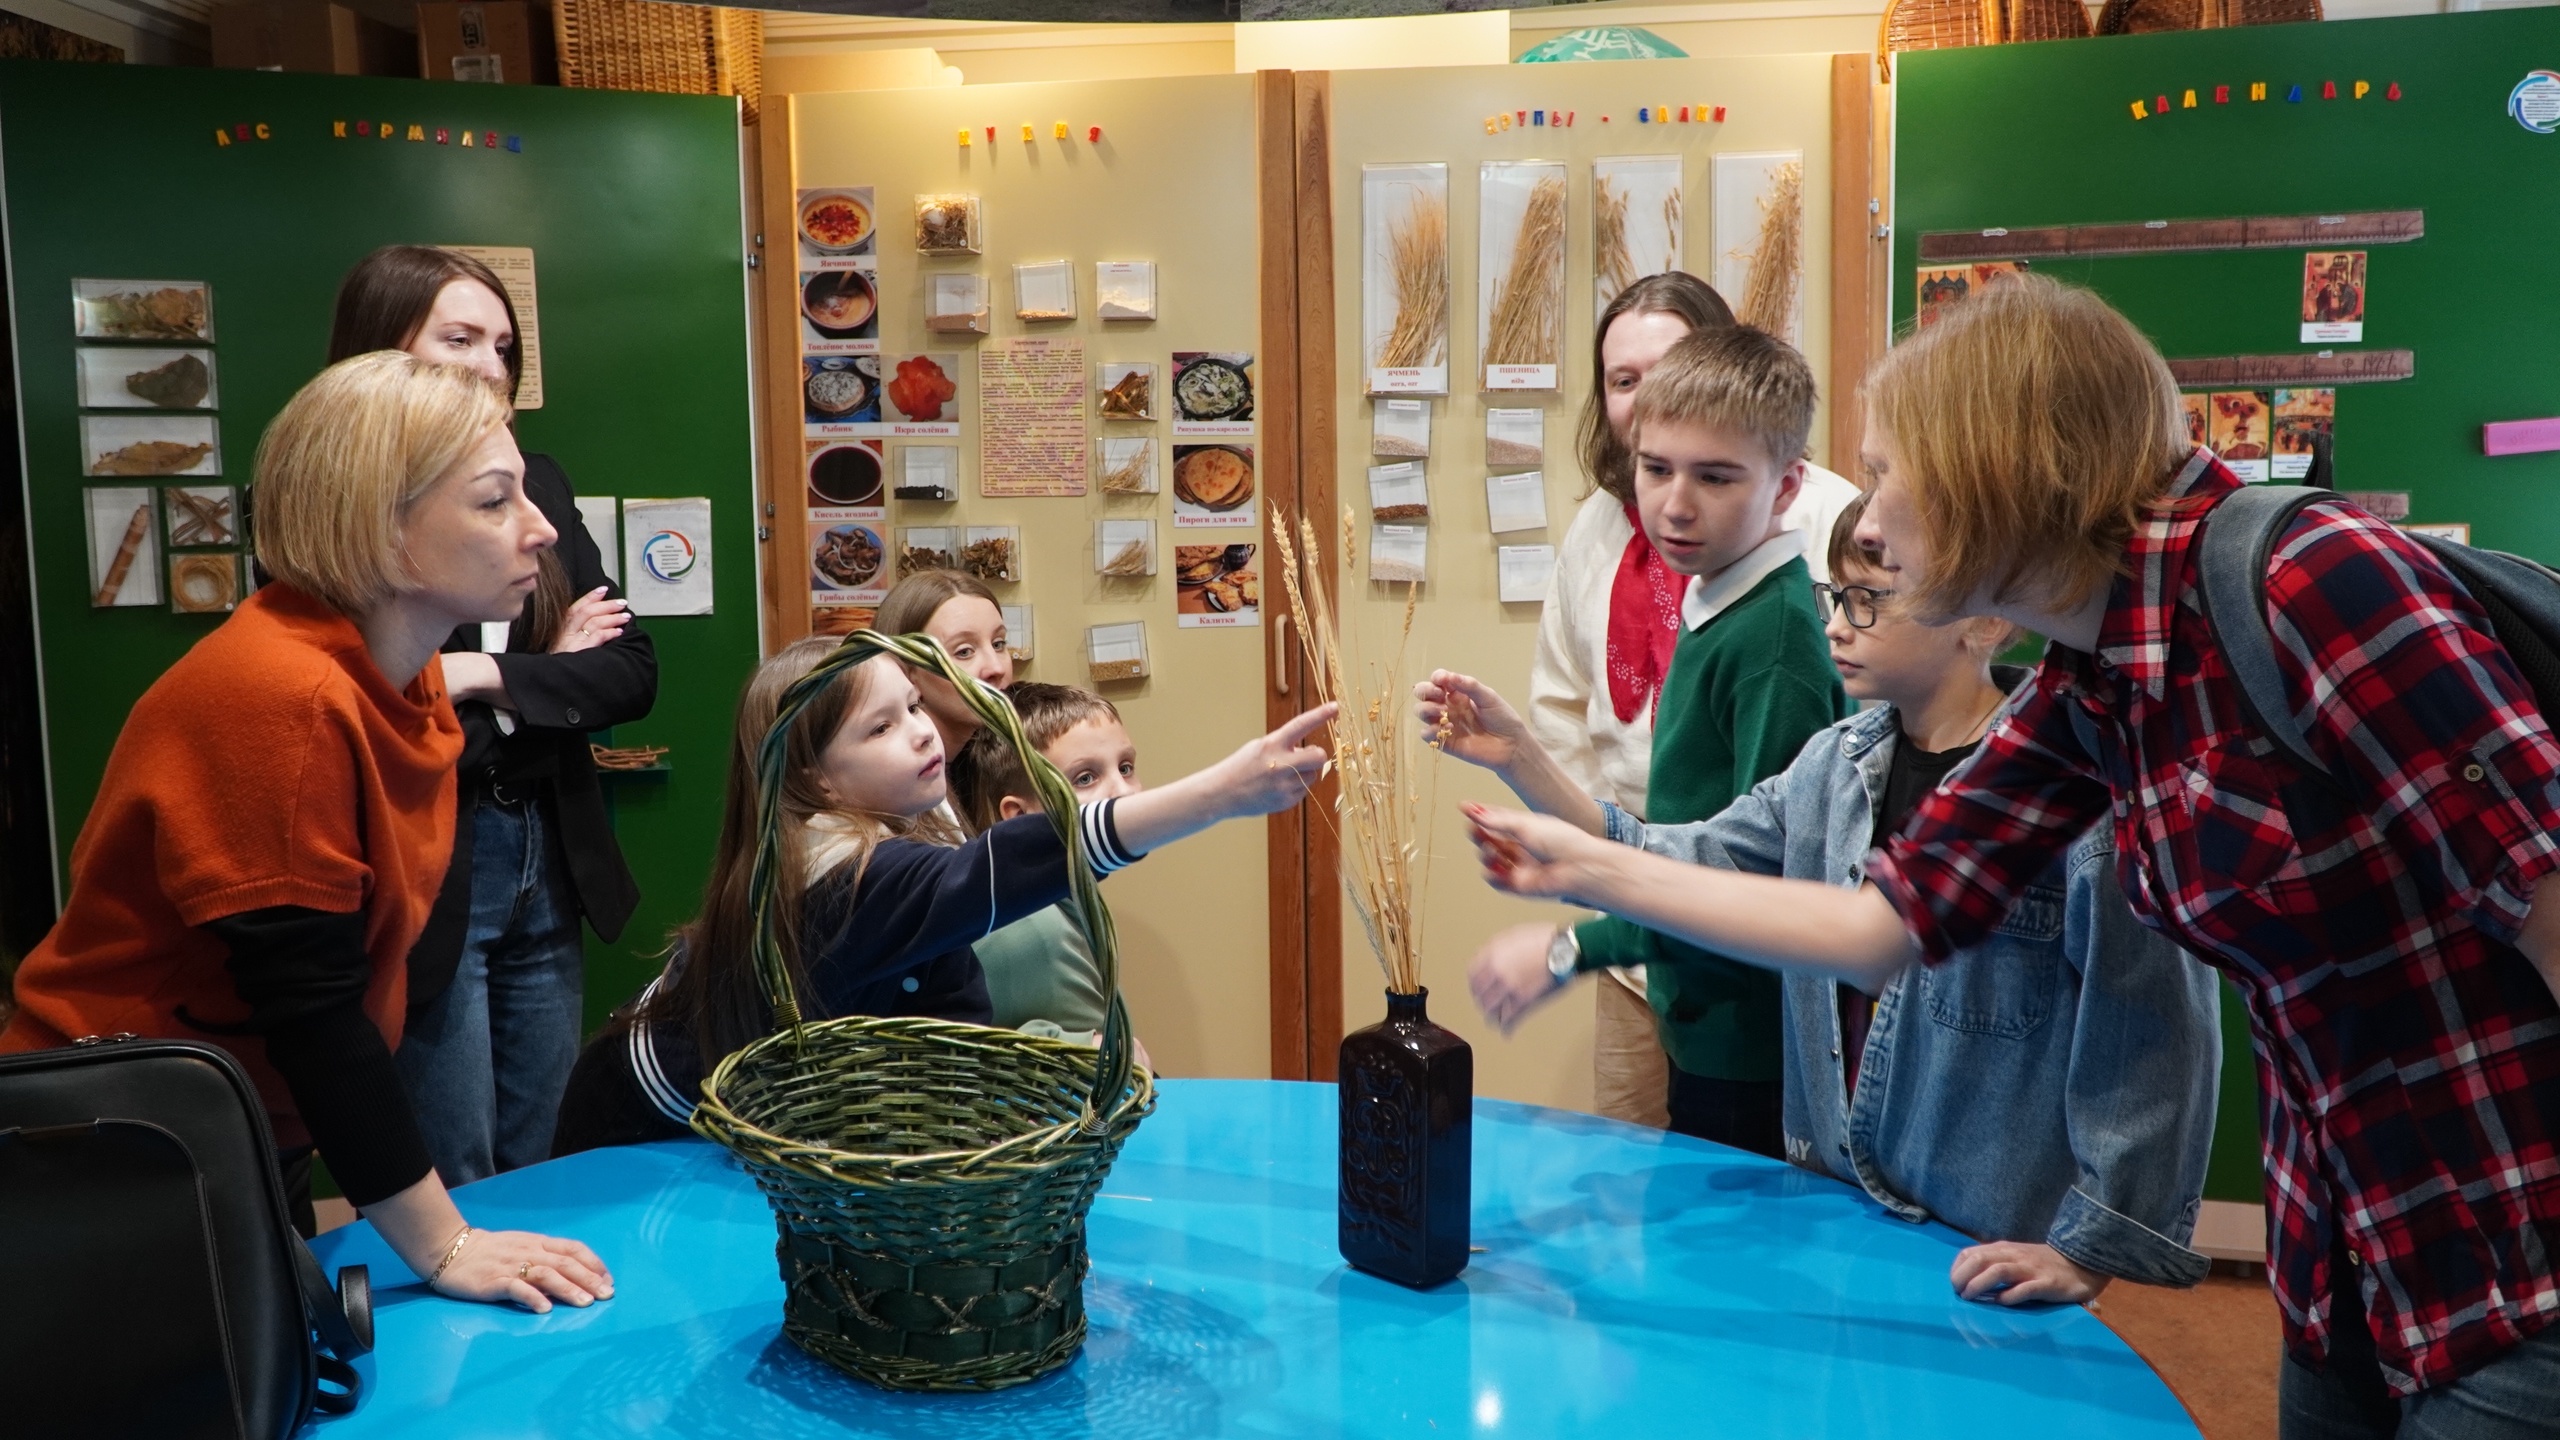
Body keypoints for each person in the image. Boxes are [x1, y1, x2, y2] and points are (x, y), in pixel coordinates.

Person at [1462, 275, 2560, 1435]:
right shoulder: (2091, 683)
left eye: (1887, 474)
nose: (1866, 525)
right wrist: (1582, 867)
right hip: (2347, 1266)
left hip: (2516, 1264)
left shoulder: (2311, 580)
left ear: (1997, 470)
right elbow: (1875, 929)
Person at [1433, 496, 2223, 1305]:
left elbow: (2154, 1030)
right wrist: (1522, 760)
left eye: (1870, 600)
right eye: (1835, 597)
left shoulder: (2074, 791)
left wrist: (2091, 1245)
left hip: (1985, 1245)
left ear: (1984, 620)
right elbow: (1682, 858)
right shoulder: (1831, 767)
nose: (1838, 627)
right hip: (1840, 1216)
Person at [2, 353, 612, 1311]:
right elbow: (313, 1016)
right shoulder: (281, 699)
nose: (540, 529)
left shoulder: (399, 681)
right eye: (496, 501)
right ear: (383, 531)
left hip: (230, 1121)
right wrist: (447, 1246)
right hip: (117, 1142)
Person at [549, 638, 1334, 1151]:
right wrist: (1219, 794)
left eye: (914, 706)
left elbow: (945, 1027)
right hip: (639, 1124)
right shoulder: (850, 876)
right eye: (881, 728)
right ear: (816, 778)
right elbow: (1014, 863)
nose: (923, 732)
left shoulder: (897, 833)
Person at [1431, 323, 1847, 1159]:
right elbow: (1675, 833)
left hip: (1749, 1044)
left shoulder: (1773, 643)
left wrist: (1571, 948)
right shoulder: (1716, 593)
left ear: (1787, 486)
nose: (1676, 503)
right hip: (1697, 1007)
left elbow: (1753, 874)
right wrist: (1520, 757)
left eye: (1716, 476)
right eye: (1656, 469)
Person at [330, 244, 658, 1188]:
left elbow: (629, 672)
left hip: (548, 853)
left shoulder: (536, 483)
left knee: (546, 1151)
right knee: (458, 1164)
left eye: (503, 347)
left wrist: (475, 675)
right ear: (381, 350)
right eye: (460, 339)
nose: (488, 367)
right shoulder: (334, 504)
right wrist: (539, 682)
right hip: (427, 860)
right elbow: (377, 722)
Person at [1532, 273, 1862, 1129]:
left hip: (1728, 968)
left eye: (1714, 475)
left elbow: (1765, 849)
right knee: (1635, 1145)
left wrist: (1586, 933)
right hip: (1646, 909)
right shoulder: (1631, 537)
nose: (1676, 502)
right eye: (1623, 380)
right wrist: (1600, 870)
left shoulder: (1784, 601)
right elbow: (1562, 704)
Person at [948, 682, 1138, 1042]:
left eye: (1126, 767)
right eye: (1086, 778)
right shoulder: (1037, 935)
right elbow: (1103, 1063)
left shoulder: (1064, 899)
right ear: (1019, 817)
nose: (1124, 792)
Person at [872, 569, 1013, 760]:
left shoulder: (1007, 759)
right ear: (908, 674)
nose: (997, 668)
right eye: (964, 652)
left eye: (998, 644)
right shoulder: (891, 776)